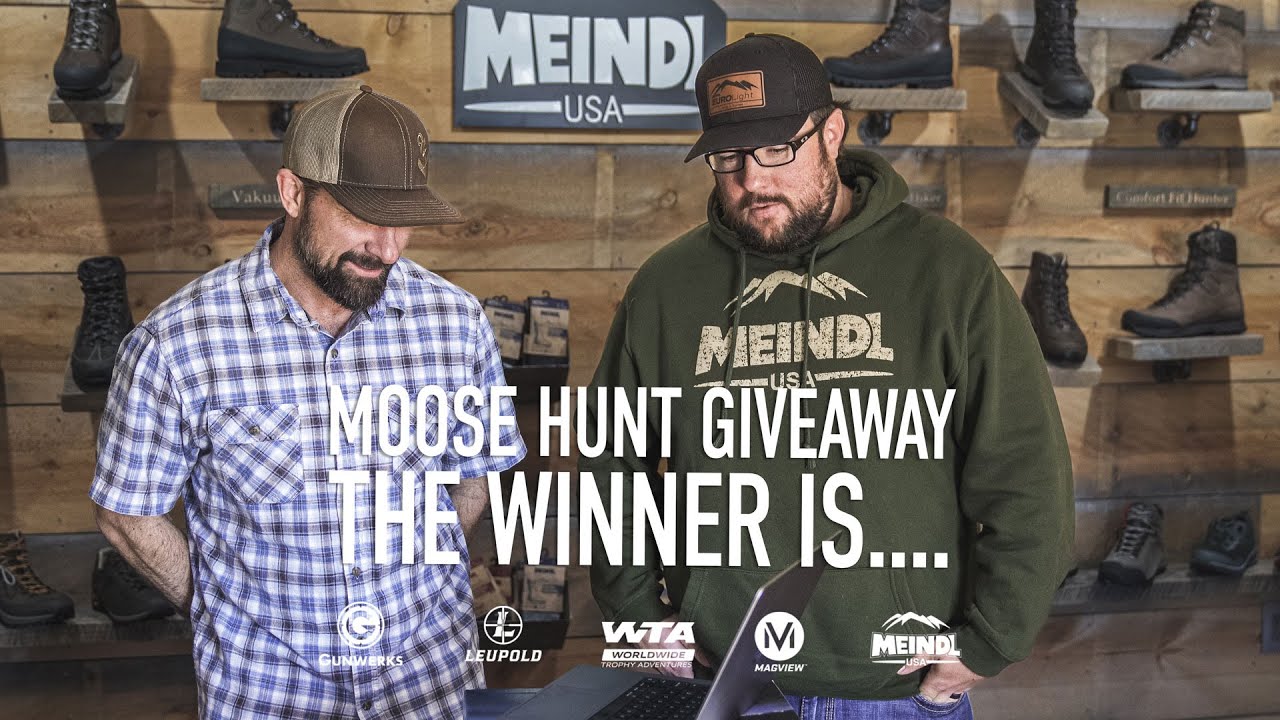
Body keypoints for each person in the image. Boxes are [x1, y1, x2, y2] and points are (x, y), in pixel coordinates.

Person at [583, 34, 1074, 719]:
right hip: (728, 687)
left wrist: (992, 639)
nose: (753, 181)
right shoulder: (667, 289)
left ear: (832, 133)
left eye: (777, 150)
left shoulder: (946, 272)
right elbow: (611, 464)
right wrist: (637, 616)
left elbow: (1027, 470)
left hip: (896, 696)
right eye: (728, 158)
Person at [91, 86, 525, 719]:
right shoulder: (178, 343)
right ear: (293, 194)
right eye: (362, 217)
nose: (388, 248)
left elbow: (473, 480)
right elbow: (126, 514)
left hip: (425, 684)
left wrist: (413, 588)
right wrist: (221, 612)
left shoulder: (455, 322)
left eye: (402, 220)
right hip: (267, 694)